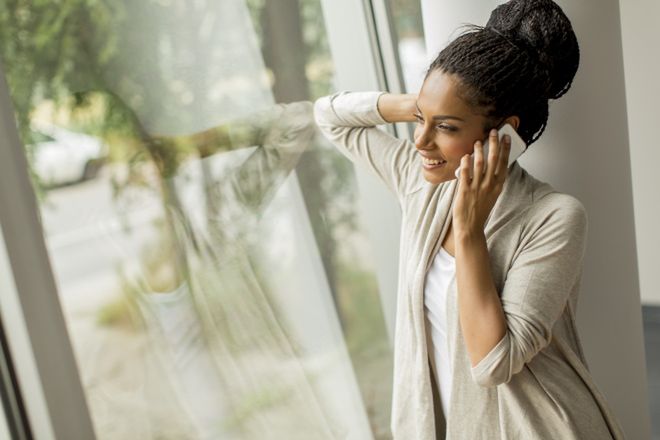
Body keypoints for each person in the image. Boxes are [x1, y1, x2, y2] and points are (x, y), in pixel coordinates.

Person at [313, 0, 627, 438]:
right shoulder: (420, 182)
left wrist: (469, 229)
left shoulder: (554, 218)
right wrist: (428, 105)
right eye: (420, 120)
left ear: (503, 133)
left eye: (446, 127)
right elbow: (330, 117)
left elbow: (492, 362)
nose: (420, 141)